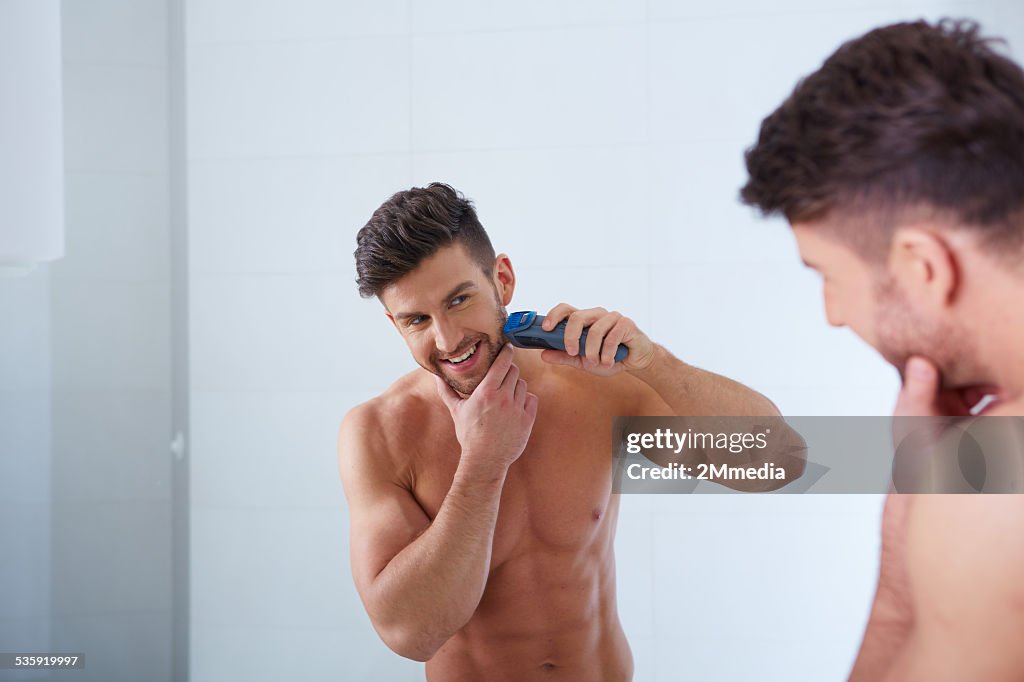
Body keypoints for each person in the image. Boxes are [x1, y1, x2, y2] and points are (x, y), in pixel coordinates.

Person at [338, 182, 788, 681]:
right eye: (417, 320)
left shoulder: (595, 388)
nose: (447, 339)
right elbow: (410, 634)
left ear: (502, 280)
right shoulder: (379, 431)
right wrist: (483, 462)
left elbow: (775, 463)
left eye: (460, 300)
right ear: (394, 324)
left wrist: (653, 363)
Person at [741, 18, 1024, 680]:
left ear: (922, 265)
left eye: (830, 278)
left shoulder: (996, 503)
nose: (834, 315)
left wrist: (904, 565)